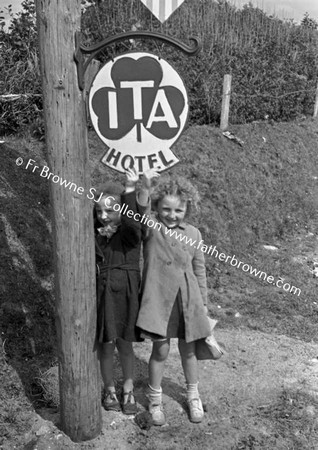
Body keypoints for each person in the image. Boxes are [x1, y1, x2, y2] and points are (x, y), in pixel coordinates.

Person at [136, 173, 212, 425]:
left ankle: (193, 395)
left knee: (189, 352)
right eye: (166, 209)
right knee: (160, 350)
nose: (172, 215)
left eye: (178, 210)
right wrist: (145, 190)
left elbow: (199, 270)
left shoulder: (193, 233)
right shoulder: (151, 228)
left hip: (187, 302)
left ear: (187, 209)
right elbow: (141, 214)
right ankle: (155, 399)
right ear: (157, 207)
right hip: (159, 302)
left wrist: (203, 305)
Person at [94, 168, 147, 415]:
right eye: (100, 211)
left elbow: (131, 221)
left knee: (125, 345)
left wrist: (129, 189)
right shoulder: (96, 236)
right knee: (106, 345)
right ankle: (109, 389)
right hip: (104, 295)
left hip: (126, 293)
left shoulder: (130, 235)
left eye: (110, 210)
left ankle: (128, 389)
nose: (104, 216)